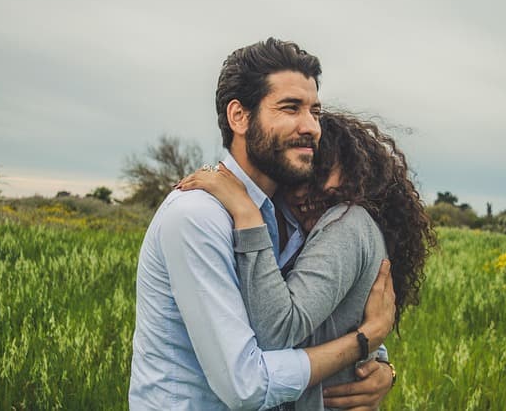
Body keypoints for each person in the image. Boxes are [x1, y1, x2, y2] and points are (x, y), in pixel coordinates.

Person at [129, 38, 396, 410]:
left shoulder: (288, 213)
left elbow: (314, 313)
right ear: (239, 117)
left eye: (315, 112)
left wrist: (377, 363)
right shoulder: (196, 218)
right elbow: (246, 385)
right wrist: (362, 342)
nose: (311, 127)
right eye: (290, 108)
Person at [177, 111, 436, 409]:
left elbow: (277, 333)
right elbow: (334, 318)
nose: (304, 191)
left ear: (354, 173)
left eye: (320, 171)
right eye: (301, 176)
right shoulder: (299, 222)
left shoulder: (346, 224)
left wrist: (245, 212)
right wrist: (371, 346)